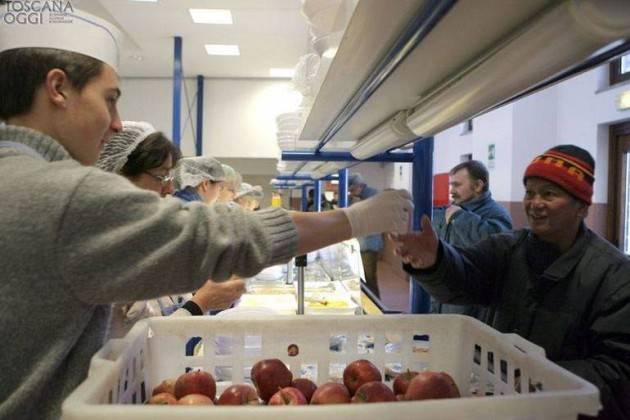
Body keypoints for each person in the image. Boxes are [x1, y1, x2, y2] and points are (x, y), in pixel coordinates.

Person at [0, 10, 413, 419]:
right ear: (57, 88)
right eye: (109, 100)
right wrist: (355, 220)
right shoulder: (62, 194)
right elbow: (223, 237)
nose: (116, 122)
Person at [392, 145, 630, 419]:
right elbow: (464, 277)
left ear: (582, 207)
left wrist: (535, 376)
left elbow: (619, 372)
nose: (535, 203)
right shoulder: (508, 249)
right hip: (502, 404)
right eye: (530, 192)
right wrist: (435, 261)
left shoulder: (614, 277)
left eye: (549, 194)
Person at [96, 122, 246, 337]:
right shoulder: (106, 250)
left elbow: (168, 305)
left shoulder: (143, 234)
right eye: (160, 177)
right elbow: (135, 346)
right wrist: (200, 304)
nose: (170, 189)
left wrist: (211, 294)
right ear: (119, 175)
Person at [431, 160, 512, 318]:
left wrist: (460, 217)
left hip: (470, 306)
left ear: (477, 186)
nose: (451, 191)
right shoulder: (453, 209)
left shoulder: (496, 214)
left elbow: (493, 248)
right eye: (451, 185)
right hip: (445, 298)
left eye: (457, 185)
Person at [348, 173, 383, 298]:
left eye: (352, 190)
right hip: (362, 243)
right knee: (363, 278)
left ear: (360, 186)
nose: (351, 193)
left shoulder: (372, 195)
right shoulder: (360, 197)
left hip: (369, 245)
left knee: (369, 279)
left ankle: (377, 308)